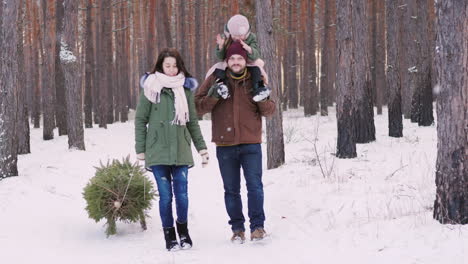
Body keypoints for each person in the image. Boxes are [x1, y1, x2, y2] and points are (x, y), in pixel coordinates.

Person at [194, 41, 276, 243]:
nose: (236, 62)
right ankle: (237, 229)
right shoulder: (216, 78)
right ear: (227, 61)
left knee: (255, 186)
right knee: (231, 190)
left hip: (251, 143)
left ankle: (257, 227)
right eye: (232, 58)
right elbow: (197, 107)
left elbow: (270, 111)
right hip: (225, 144)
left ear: (245, 60)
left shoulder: (255, 78)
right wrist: (214, 95)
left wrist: (262, 98)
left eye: (240, 58)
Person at [135, 48, 209, 251]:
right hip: (157, 151)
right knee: (166, 196)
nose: (171, 69)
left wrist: (201, 148)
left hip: (181, 151)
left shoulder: (185, 90)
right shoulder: (151, 88)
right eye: (167, 65)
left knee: (182, 195)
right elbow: (141, 120)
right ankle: (169, 235)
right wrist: (140, 148)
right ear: (160, 66)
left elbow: (192, 122)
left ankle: (183, 232)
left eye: (175, 65)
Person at [207, 14, 271, 102]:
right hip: (230, 61)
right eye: (235, 36)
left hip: (249, 60)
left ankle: (259, 88)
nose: (238, 38)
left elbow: (256, 53)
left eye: (241, 36)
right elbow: (220, 56)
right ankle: (222, 86)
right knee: (220, 69)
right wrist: (221, 46)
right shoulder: (225, 38)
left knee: (257, 70)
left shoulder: (251, 38)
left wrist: (248, 49)